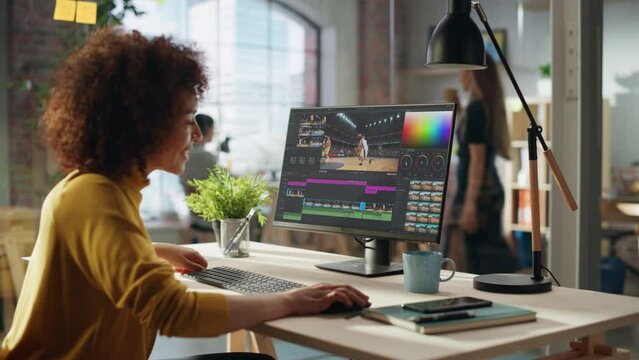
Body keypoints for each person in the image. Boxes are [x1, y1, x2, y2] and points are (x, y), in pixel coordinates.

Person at [0, 27, 369, 359]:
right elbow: (175, 312)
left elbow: (89, 261)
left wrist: (151, 251)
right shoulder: (96, 195)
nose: (195, 134)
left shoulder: (98, 187)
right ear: (142, 127)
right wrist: (291, 300)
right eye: (186, 119)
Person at [453, 55, 519, 275]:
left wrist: (470, 204)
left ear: (474, 73)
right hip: (488, 191)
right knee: (485, 259)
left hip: (480, 195)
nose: (459, 76)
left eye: (463, 70)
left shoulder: (476, 110)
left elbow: (477, 161)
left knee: (480, 264)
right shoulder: (481, 108)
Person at [180, 113, 217, 243]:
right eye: (213, 128)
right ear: (206, 128)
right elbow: (226, 180)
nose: (214, 133)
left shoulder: (187, 155)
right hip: (207, 219)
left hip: (194, 216)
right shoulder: (204, 157)